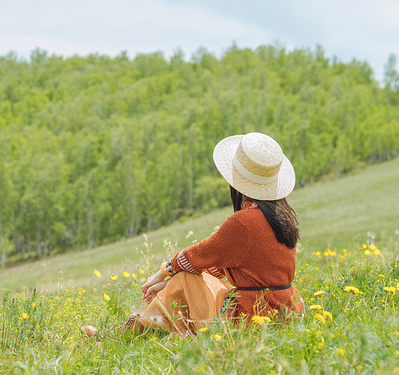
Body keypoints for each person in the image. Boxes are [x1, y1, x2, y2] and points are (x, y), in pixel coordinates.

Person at [82, 132, 302, 337]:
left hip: (251, 318)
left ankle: (122, 335)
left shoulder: (244, 222)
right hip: (285, 310)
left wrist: (163, 272)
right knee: (190, 279)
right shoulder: (281, 216)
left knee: (187, 276)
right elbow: (227, 263)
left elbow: (199, 254)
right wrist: (169, 282)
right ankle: (144, 328)